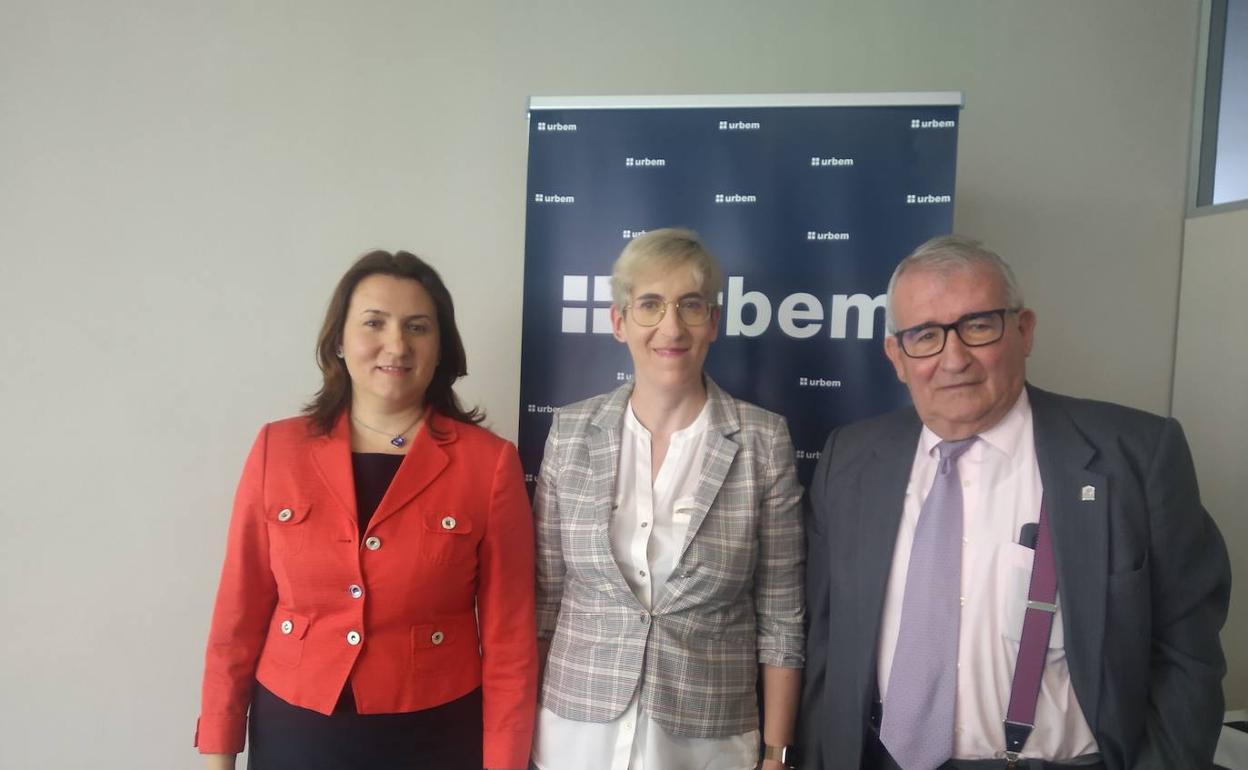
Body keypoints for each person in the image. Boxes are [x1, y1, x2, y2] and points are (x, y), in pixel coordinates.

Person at [799, 235, 1231, 770]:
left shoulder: (1135, 457)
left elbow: (1187, 650)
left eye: (978, 326)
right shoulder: (849, 460)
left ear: (1023, 330)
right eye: (925, 335)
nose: (953, 358)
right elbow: (825, 639)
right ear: (897, 355)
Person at [195, 251, 538, 770]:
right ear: (339, 338)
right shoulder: (277, 449)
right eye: (374, 323)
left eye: (418, 327)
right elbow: (236, 617)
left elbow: (510, 639)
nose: (396, 345)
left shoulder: (488, 465)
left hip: (436, 732)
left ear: (440, 346)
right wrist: (218, 753)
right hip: (296, 727)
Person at [530, 228, 805, 770]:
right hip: (573, 737)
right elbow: (544, 599)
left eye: (690, 306)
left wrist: (776, 753)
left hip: (706, 744)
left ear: (714, 322)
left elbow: (781, 615)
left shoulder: (762, 440)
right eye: (650, 305)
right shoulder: (569, 432)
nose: (671, 327)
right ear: (619, 322)